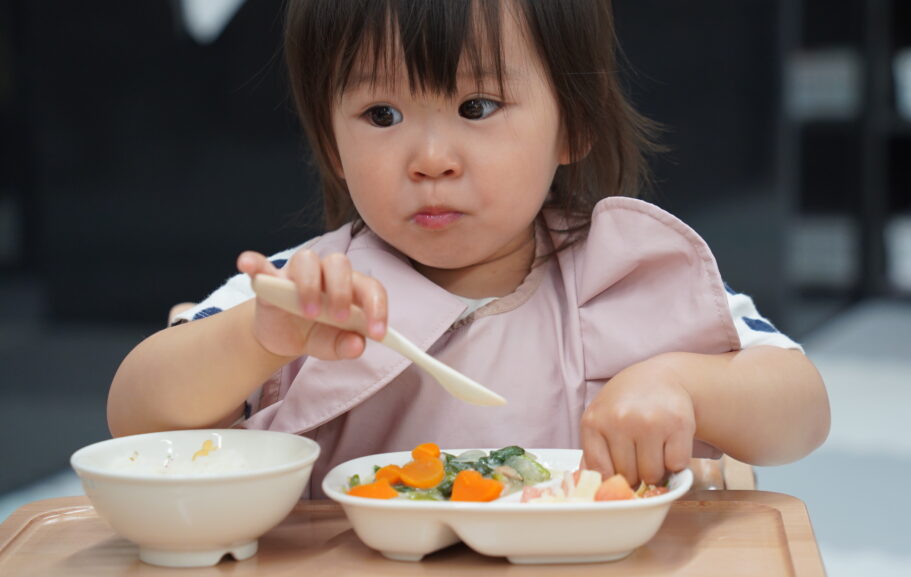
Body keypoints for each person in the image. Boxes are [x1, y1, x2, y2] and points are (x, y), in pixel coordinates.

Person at [108, 0, 829, 497]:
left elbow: (802, 408)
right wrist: (258, 339)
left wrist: (681, 384)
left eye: (476, 108)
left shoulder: (627, 273)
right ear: (330, 141)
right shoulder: (309, 291)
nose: (429, 158)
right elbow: (132, 417)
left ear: (572, 124)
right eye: (380, 114)